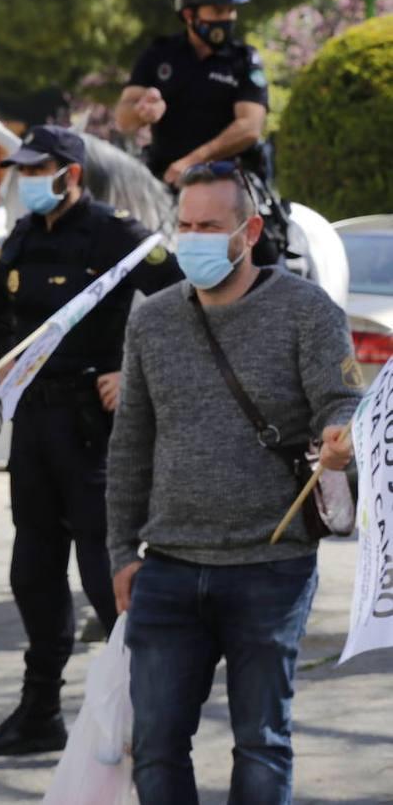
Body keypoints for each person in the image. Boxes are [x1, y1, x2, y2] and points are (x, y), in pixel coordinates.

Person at [106, 161, 362, 804]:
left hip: (270, 565)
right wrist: (119, 553)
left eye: (208, 226)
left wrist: (342, 438)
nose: (191, 237)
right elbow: (131, 444)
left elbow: (342, 402)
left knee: (261, 742)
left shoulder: (306, 310)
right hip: (166, 567)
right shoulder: (153, 319)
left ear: (248, 231)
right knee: (158, 747)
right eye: (183, 224)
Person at [0, 126, 183, 757]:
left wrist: (134, 369)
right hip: (35, 426)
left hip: (94, 431)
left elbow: (182, 303)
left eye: (37, 169)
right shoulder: (17, 238)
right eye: (21, 170)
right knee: (32, 573)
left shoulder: (114, 233)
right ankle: (40, 712)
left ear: (70, 172)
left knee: (105, 573)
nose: (25, 180)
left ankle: (144, 711)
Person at [115, 0, 267, 190]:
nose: (227, 18)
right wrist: (140, 112)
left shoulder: (244, 61)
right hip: (165, 179)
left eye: (231, 10)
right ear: (189, 14)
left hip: (230, 180)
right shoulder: (159, 55)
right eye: (218, 11)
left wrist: (193, 162)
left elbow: (250, 127)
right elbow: (123, 119)